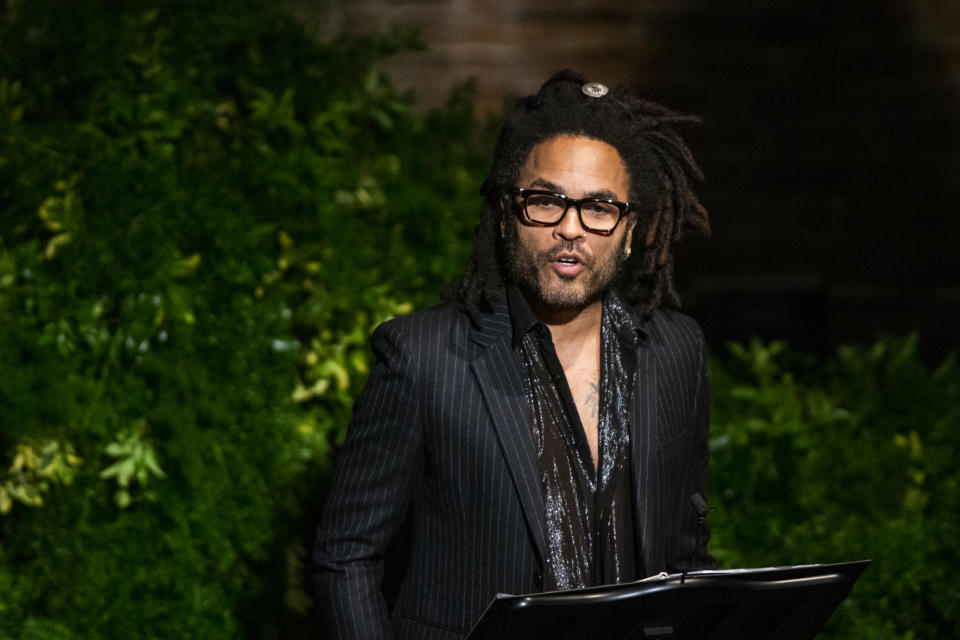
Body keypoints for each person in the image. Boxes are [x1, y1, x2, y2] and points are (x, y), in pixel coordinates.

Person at [313, 69, 714, 640]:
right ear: (507, 215)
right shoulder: (423, 358)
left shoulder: (675, 351)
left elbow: (685, 553)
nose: (571, 228)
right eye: (546, 201)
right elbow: (346, 556)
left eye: (600, 207)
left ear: (629, 231)